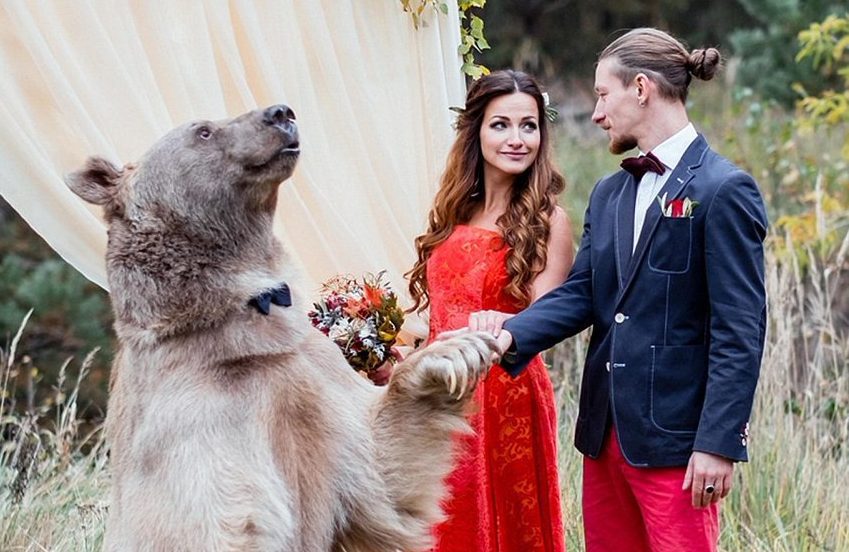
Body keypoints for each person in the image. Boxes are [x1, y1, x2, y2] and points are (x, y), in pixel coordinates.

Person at [475, 29, 768, 552]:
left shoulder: (724, 189)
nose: (596, 113)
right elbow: (584, 292)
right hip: (603, 437)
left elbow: (739, 330)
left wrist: (718, 443)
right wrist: (507, 337)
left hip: (678, 445)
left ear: (640, 88)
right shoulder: (610, 193)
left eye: (601, 94)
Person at [405, 69, 573, 551]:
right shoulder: (454, 211)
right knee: (442, 519)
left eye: (529, 126)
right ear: (476, 131)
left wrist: (506, 322)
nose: (517, 139)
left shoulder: (548, 220)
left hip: (506, 394)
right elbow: (441, 315)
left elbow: (549, 314)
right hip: (439, 389)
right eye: (501, 125)